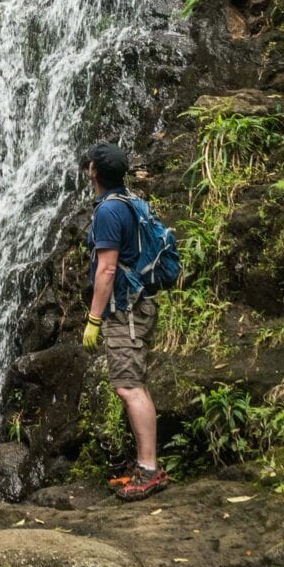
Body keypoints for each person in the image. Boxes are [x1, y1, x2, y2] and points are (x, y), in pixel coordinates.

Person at [83, 140, 168, 500]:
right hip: (138, 303)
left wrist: (93, 318)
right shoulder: (130, 202)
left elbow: (107, 269)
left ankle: (148, 469)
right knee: (134, 382)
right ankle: (145, 463)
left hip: (125, 309)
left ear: (93, 172)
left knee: (128, 387)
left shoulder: (107, 212)